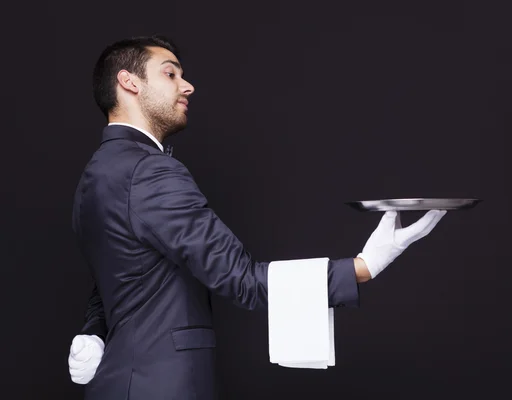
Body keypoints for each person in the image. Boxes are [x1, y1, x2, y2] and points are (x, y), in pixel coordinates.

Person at [67, 35, 446, 400]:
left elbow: (120, 272)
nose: (188, 86)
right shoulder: (151, 172)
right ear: (128, 82)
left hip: (116, 382)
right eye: (171, 74)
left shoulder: (96, 173)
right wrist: (364, 267)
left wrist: (94, 331)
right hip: (161, 387)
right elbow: (242, 279)